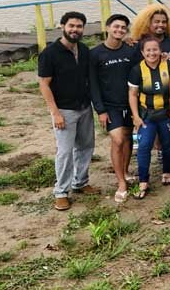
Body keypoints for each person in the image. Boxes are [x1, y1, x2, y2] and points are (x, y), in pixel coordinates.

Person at [39, 11, 96, 211]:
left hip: (84, 107)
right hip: (64, 110)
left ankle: (80, 182)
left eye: (79, 26)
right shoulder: (50, 53)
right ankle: (61, 192)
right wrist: (55, 113)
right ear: (62, 26)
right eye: (71, 26)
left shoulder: (84, 49)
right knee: (64, 152)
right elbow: (44, 84)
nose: (75, 30)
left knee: (86, 146)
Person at [88, 13, 136, 204]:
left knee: (128, 138)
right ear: (107, 28)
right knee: (117, 140)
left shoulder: (131, 50)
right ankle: (121, 182)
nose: (119, 30)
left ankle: (125, 171)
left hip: (130, 103)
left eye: (123, 28)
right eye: (116, 27)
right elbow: (92, 84)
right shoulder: (95, 54)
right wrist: (100, 110)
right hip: (110, 106)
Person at [128, 36, 170, 199]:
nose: (152, 53)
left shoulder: (169, 65)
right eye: (148, 50)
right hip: (147, 115)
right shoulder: (137, 70)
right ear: (142, 52)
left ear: (161, 50)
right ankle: (143, 179)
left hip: (165, 114)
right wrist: (135, 116)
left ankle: (167, 171)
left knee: (168, 144)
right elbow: (133, 94)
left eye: (155, 49)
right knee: (144, 146)